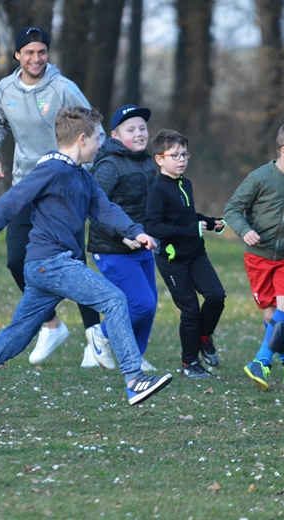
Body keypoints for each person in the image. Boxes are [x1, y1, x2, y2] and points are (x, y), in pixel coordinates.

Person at [0, 107, 173, 430]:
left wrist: (134, 231)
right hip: (51, 263)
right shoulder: (52, 169)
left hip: (49, 269)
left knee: (15, 338)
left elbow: (104, 208)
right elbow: (13, 200)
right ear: (82, 139)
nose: (101, 145)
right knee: (114, 300)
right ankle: (134, 379)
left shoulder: (82, 176)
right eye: (98, 138)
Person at [0, 27, 102, 368]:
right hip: (26, 183)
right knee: (17, 260)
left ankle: (95, 339)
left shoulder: (63, 88)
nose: (36, 59)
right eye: (30, 52)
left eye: (42, 52)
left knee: (74, 261)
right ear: (18, 55)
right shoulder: (5, 89)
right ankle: (51, 325)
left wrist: (83, 173)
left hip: (64, 188)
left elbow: (95, 129)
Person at [224, 120, 284, 392]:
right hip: (258, 258)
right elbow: (232, 209)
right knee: (271, 319)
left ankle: (261, 360)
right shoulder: (259, 178)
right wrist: (244, 231)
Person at [145, 130, 226, 379]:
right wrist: (192, 229)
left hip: (196, 254)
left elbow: (189, 218)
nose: (182, 160)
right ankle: (189, 364)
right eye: (175, 155)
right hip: (172, 261)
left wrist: (210, 223)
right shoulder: (158, 190)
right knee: (190, 311)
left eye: (185, 154)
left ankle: (203, 338)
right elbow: (153, 227)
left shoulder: (185, 184)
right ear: (160, 159)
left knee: (216, 296)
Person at [84, 105, 160, 372]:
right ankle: (101, 334)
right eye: (131, 130)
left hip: (140, 243)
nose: (139, 134)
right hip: (113, 247)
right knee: (141, 303)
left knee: (150, 303)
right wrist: (121, 236)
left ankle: (135, 356)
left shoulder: (147, 160)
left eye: (142, 128)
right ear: (114, 135)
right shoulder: (109, 166)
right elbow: (94, 208)